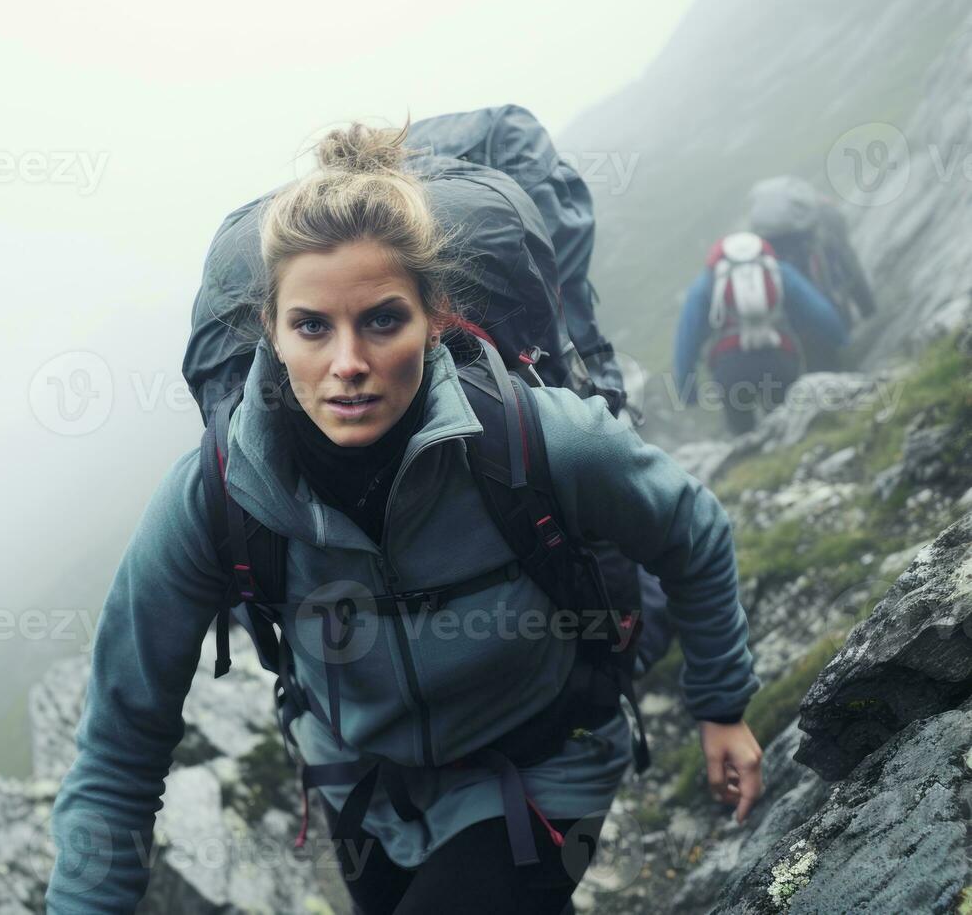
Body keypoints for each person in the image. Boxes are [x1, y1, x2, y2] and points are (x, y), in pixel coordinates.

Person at [47, 123, 764, 915]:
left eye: (383, 321)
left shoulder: (536, 437)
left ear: (436, 317)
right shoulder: (215, 495)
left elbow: (690, 530)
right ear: (273, 334)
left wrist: (720, 705)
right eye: (312, 326)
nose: (347, 362)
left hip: (544, 766)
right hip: (364, 792)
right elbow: (118, 747)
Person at [673, 232, 849, 434]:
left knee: (743, 434)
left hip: (730, 368)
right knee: (787, 427)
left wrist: (687, 390)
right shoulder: (779, 271)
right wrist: (840, 339)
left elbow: (687, 336)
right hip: (778, 359)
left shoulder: (708, 281)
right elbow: (818, 310)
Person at [747, 176, 877, 367]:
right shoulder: (826, 217)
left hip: (792, 326)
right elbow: (848, 263)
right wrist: (868, 309)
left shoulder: (766, 233)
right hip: (829, 304)